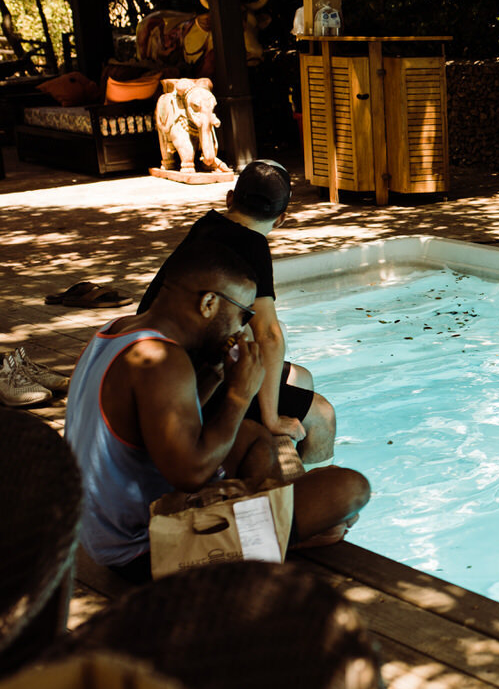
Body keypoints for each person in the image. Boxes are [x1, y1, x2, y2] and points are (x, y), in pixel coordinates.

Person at [68, 242, 370, 583]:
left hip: (104, 535)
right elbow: (190, 474)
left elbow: (163, 434)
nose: (243, 330)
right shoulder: (162, 360)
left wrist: (214, 376)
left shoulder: (119, 330)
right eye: (244, 315)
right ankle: (268, 543)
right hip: (146, 552)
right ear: (209, 303)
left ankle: (267, 531)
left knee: (255, 437)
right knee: (349, 490)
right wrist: (241, 395)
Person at [139, 159, 336, 463]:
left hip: (162, 370)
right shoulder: (252, 245)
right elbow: (269, 335)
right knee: (322, 417)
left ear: (230, 198)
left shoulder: (208, 225)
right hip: (190, 386)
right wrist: (271, 419)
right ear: (281, 219)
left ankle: (298, 477)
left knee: (302, 377)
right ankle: (313, 501)